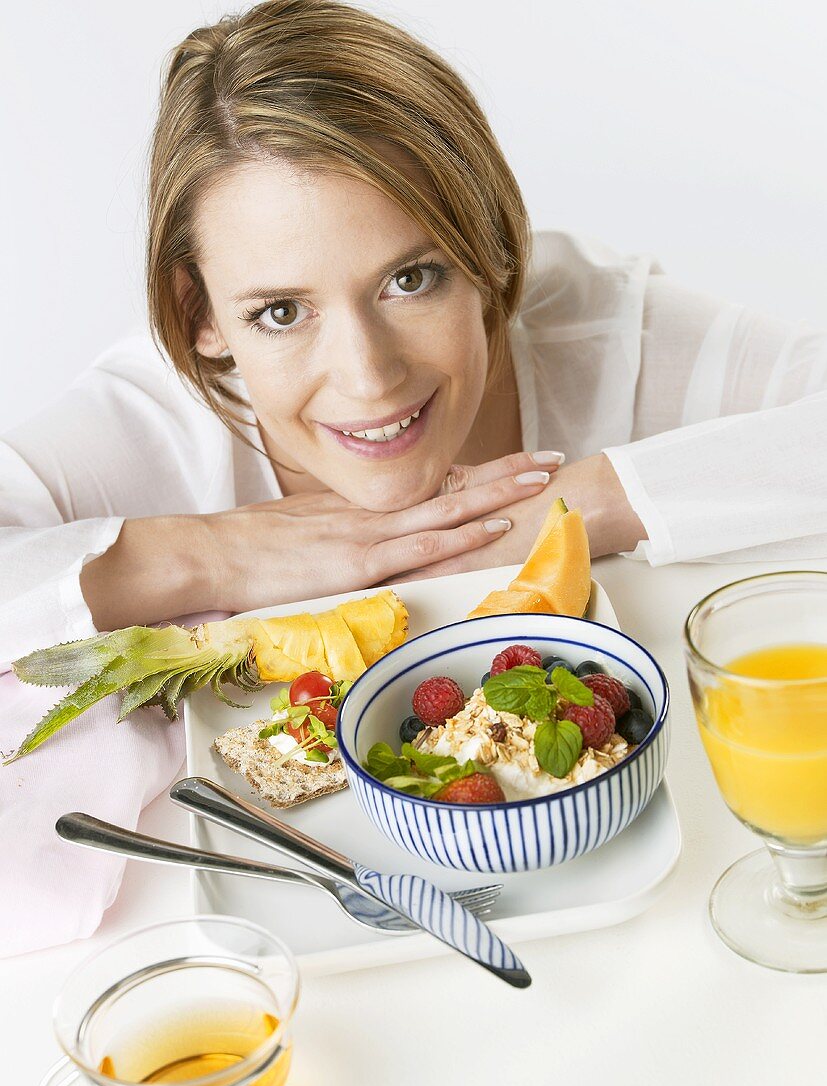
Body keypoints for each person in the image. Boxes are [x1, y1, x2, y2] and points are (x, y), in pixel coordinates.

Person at [1, 0, 826, 668]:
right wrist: (213, 558)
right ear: (201, 316)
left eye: (411, 279)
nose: (367, 377)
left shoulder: (596, 327)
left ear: (491, 248)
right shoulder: (152, 420)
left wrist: (589, 504)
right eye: (281, 312)